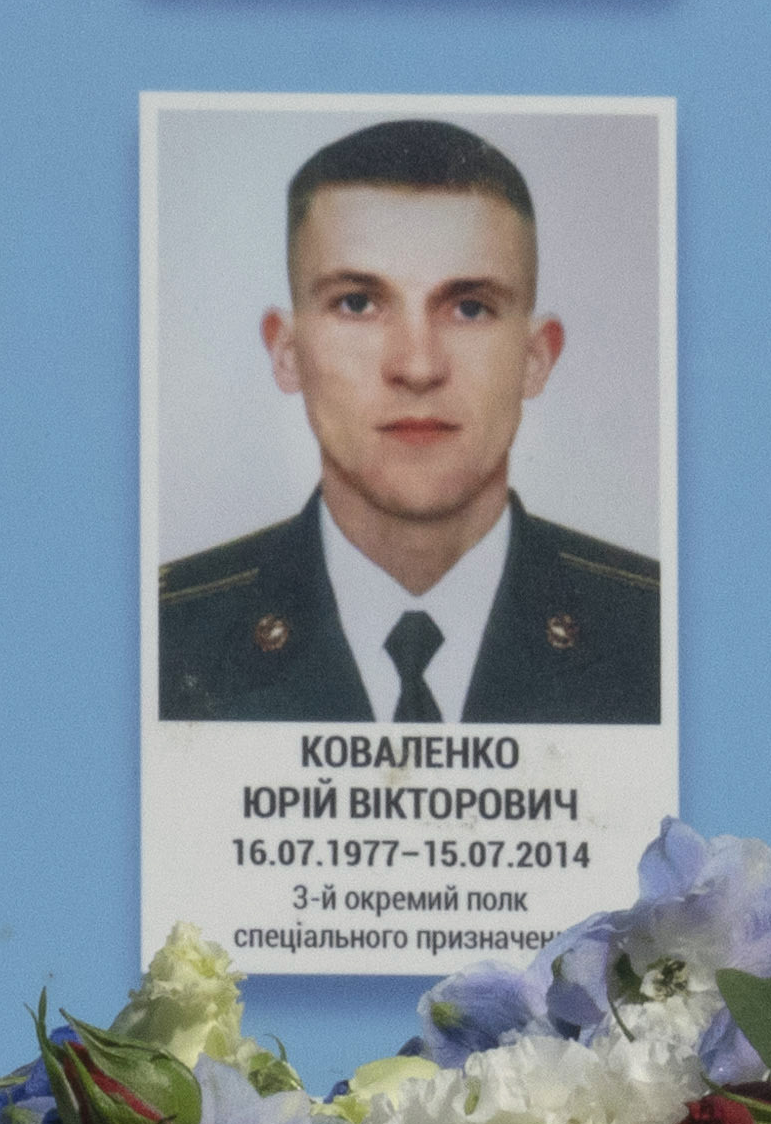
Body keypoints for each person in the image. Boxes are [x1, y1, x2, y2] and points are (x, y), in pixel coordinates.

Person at [160, 120, 657, 727]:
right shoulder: (166, 639)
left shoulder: (655, 636)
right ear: (287, 353)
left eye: (469, 308)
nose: (417, 368)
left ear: (535, 359)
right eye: (358, 304)